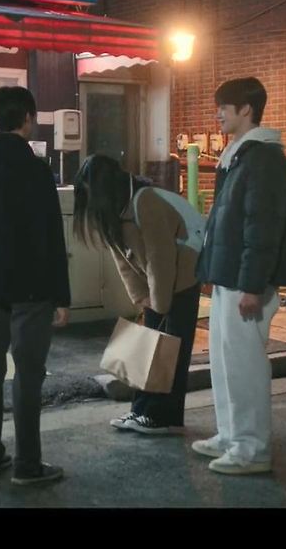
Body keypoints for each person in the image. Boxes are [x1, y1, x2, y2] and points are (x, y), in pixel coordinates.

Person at [191, 77, 286, 475]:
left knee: (245, 367)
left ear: (246, 110)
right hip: (231, 278)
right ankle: (231, 436)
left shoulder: (263, 160)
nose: (218, 114)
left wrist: (253, 286)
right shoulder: (240, 156)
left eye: (224, 107)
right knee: (225, 364)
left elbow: (262, 228)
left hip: (246, 284)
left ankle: (252, 448)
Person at [0, 85, 70, 487]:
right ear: (27, 118)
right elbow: (52, 237)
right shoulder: (36, 171)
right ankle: (28, 464)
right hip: (32, 290)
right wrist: (61, 296)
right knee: (28, 373)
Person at [71, 154, 201, 435]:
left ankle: (164, 418)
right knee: (148, 346)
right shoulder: (111, 212)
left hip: (184, 274)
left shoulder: (145, 201)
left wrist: (159, 303)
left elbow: (160, 258)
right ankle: (141, 411)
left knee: (171, 350)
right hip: (158, 280)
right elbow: (121, 260)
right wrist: (142, 298)